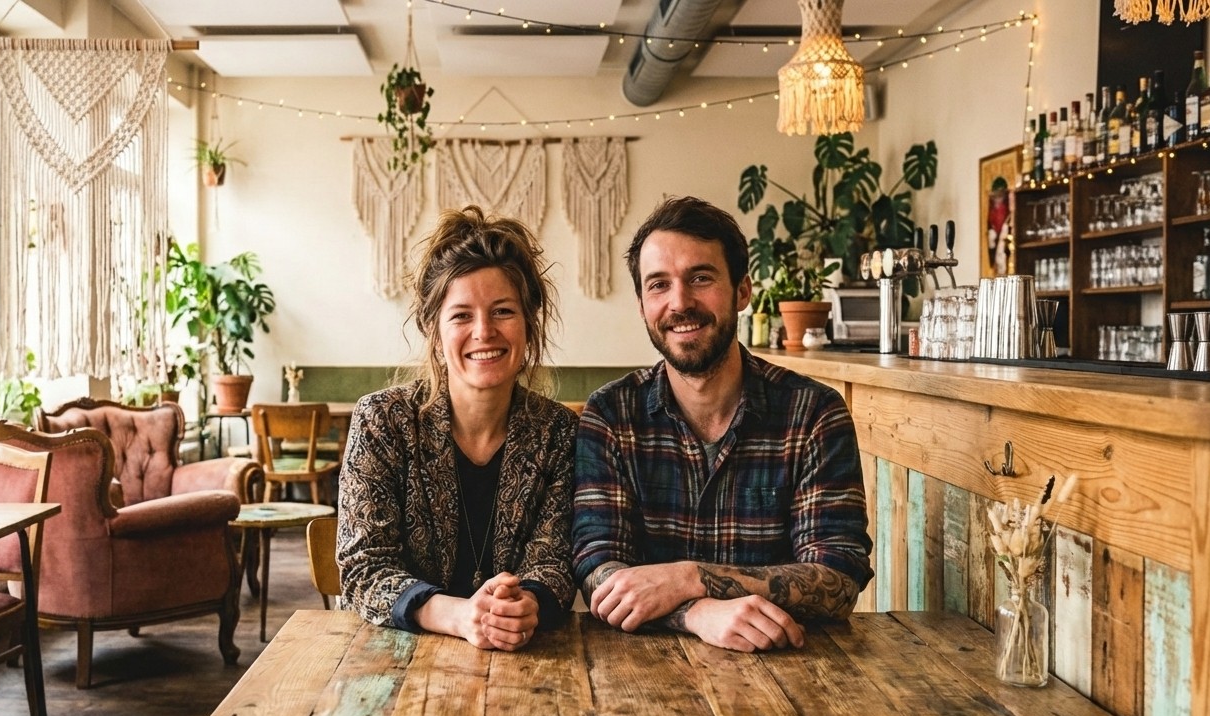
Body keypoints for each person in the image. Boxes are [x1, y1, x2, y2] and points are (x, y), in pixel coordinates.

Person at [572, 196, 874, 653]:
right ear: (641, 305)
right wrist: (695, 613)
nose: (680, 302)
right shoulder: (611, 415)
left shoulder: (814, 414)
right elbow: (599, 570)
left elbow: (837, 579)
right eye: (658, 285)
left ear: (743, 291)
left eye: (700, 277)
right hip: (640, 682)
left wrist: (689, 578)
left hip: (793, 676)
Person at [337, 205, 578, 652]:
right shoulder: (382, 422)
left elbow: (555, 561)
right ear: (434, 329)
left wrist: (525, 604)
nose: (484, 332)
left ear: (529, 322)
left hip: (523, 662)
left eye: (503, 311)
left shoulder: (557, 431)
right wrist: (458, 614)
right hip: (387, 662)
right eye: (462, 315)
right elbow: (363, 567)